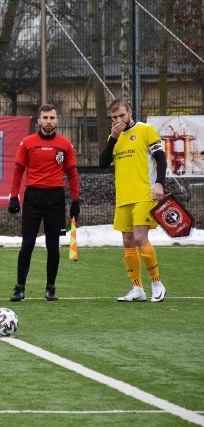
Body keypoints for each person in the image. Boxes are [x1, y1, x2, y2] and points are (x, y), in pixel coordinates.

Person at [7, 104, 80, 302]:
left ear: (57, 120)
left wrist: (76, 199)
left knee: (53, 245)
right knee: (27, 244)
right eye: (45, 118)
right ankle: (20, 287)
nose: (48, 121)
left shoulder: (65, 144)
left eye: (52, 118)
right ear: (38, 120)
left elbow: (72, 173)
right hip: (33, 198)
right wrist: (14, 196)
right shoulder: (27, 142)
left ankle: (50, 288)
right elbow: (18, 170)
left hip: (55, 199)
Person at [99, 99, 167, 302]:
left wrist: (159, 184)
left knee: (139, 237)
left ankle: (157, 283)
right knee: (128, 242)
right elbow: (102, 164)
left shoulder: (146, 130)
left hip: (144, 194)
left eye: (121, 115)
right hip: (123, 197)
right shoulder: (115, 137)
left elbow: (161, 159)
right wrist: (113, 138)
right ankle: (137, 289)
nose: (118, 120)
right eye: (114, 117)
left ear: (130, 112)